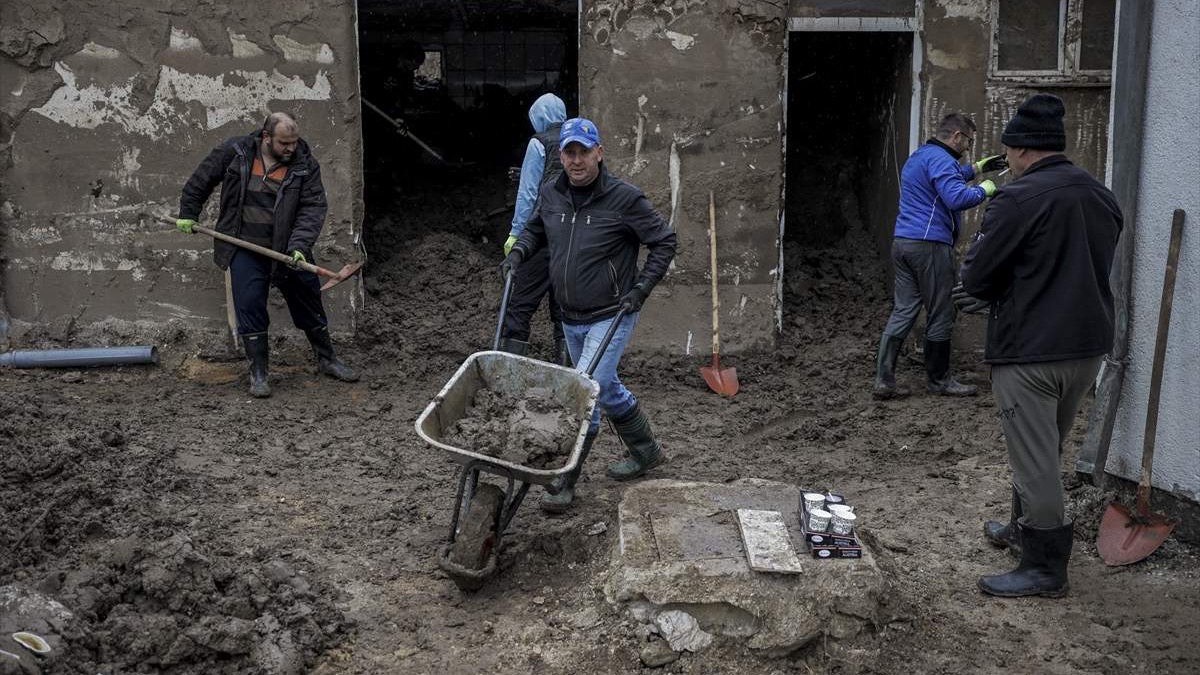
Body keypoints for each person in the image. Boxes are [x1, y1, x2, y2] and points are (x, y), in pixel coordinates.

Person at [957, 93, 1122, 598]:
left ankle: (1045, 569)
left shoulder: (1016, 198)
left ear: (1022, 150)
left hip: (1031, 350)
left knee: (1035, 459)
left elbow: (979, 276)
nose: (1005, 161)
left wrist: (982, 286)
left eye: (1007, 152)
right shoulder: (1100, 195)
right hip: (1086, 347)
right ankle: (1023, 529)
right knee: (1044, 447)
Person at [502, 118, 677, 512]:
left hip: (611, 313)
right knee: (605, 386)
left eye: (584, 151)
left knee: (586, 392)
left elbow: (664, 242)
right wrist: (519, 252)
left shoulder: (624, 199)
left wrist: (640, 288)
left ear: (599, 152)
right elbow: (534, 231)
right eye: (569, 152)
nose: (576, 160)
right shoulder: (551, 194)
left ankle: (565, 479)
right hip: (569, 315)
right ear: (561, 155)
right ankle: (646, 450)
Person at [176, 112, 358, 398]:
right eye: (284, 143)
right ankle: (259, 373)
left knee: (307, 300)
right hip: (244, 246)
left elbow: (312, 209)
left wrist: (298, 246)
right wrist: (188, 213)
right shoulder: (235, 152)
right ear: (266, 137)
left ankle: (327, 359)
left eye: (294, 142)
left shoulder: (305, 166)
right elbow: (202, 179)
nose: (291, 149)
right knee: (249, 305)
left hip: (287, 249)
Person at [873, 112, 1006, 399]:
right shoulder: (943, 161)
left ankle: (883, 380)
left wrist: (977, 169)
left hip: (904, 243)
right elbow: (957, 197)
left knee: (905, 308)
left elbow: (940, 181)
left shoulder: (921, 155)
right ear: (957, 136)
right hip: (930, 244)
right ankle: (939, 380)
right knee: (942, 309)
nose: (968, 148)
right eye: (968, 142)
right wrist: (985, 189)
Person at [499, 93, 570, 364]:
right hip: (571, 237)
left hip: (541, 235)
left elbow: (528, 193)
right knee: (563, 307)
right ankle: (566, 368)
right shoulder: (577, 142)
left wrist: (517, 233)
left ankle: (509, 367)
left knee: (519, 305)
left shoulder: (538, 143)